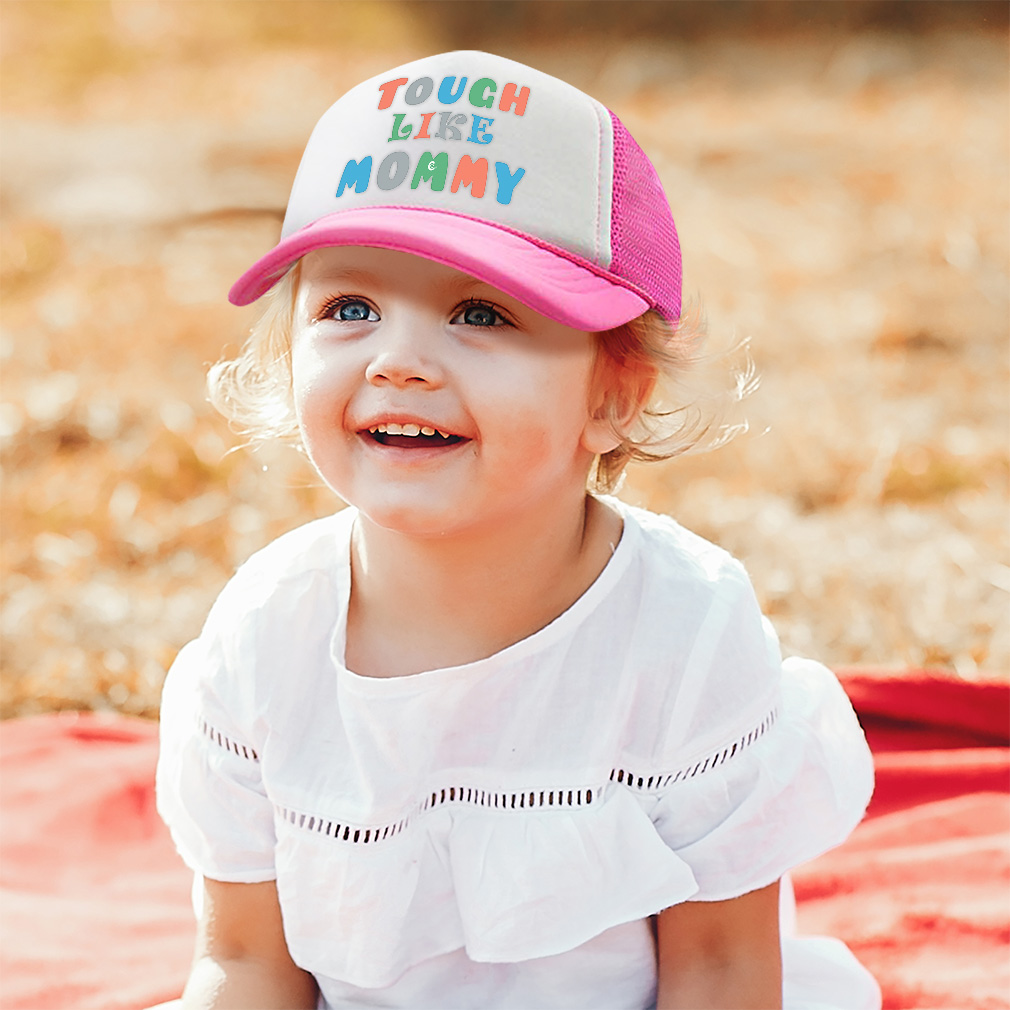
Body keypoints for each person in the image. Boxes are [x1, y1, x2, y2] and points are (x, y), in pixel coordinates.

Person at [155, 50, 881, 1010]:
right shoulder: (263, 639)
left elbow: (718, 967)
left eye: (481, 313)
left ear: (614, 394)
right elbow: (248, 962)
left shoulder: (686, 630)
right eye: (350, 307)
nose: (399, 360)